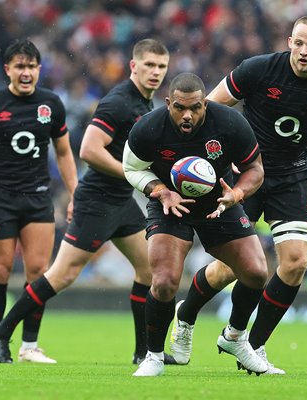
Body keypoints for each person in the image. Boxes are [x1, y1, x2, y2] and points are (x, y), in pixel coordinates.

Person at [169, 15, 307, 374]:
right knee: (231, 270)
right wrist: (208, 164)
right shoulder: (258, 70)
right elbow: (208, 110)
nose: (304, 51)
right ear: (288, 41)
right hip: (245, 176)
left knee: (296, 263)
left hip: (292, 177)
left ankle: (247, 343)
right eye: (298, 42)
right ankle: (185, 315)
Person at [0, 39, 177, 365]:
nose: (155, 72)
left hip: (121, 201)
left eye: (161, 67)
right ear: (133, 66)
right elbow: (89, 149)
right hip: (97, 200)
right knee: (61, 275)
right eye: (149, 66)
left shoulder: (146, 104)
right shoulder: (119, 102)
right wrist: (132, 175)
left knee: (150, 269)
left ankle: (144, 353)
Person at [122, 72, 269, 377]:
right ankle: (153, 356)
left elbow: (255, 169)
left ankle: (236, 338)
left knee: (256, 273)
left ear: (205, 103)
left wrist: (238, 192)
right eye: (179, 108)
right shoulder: (148, 128)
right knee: (163, 282)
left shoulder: (229, 123)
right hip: (170, 204)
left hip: (220, 202)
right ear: (168, 103)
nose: (187, 115)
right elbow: (131, 168)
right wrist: (160, 191)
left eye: (196, 108)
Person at [0, 39, 78, 364]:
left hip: (38, 198)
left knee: (39, 270)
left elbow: (64, 152)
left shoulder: (51, 104)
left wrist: (75, 193)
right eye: (19, 66)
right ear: (8, 69)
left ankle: (29, 346)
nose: (26, 72)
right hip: (1, 197)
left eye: (31, 66)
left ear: (39, 69)